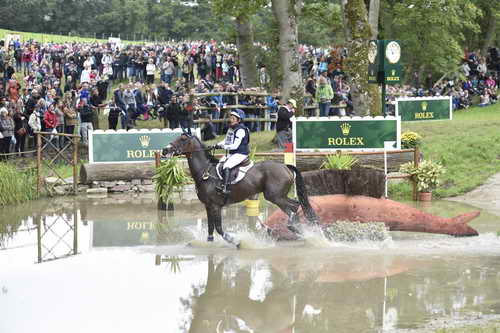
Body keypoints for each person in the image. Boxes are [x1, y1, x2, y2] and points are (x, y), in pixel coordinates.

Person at [213, 109, 249, 196]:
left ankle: (225, 188)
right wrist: (216, 145)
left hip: (240, 153)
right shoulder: (230, 128)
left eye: (233, 118)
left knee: (226, 165)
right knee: (219, 163)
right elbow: (226, 140)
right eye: (230, 118)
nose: (230, 120)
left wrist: (222, 147)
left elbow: (235, 146)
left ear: (239, 120)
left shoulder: (241, 130)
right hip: (232, 153)